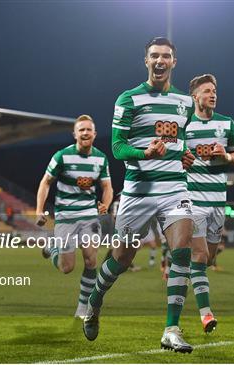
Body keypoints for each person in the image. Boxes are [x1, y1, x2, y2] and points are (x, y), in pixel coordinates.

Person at [83, 37, 197, 353]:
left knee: (182, 249)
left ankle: (171, 329)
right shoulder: (129, 99)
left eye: (166, 56)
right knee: (121, 258)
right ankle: (95, 299)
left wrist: (185, 155)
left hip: (175, 188)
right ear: (145, 61)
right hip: (138, 192)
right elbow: (118, 147)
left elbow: (180, 142)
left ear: (174, 61)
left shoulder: (185, 102)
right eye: (154, 56)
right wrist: (145, 152)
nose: (160, 61)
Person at [35, 114, 113, 318]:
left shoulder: (101, 158)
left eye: (89, 130)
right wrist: (39, 209)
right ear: (75, 134)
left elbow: (107, 186)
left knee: (91, 260)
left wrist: (105, 204)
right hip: (66, 216)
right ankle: (52, 249)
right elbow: (45, 182)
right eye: (81, 130)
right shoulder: (61, 156)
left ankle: (82, 308)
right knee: (66, 267)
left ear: (94, 134)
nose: (85, 133)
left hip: (89, 215)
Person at [185, 73, 234, 332]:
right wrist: (181, 159)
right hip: (193, 200)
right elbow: (172, 156)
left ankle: (184, 266)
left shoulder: (227, 124)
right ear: (195, 96)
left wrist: (227, 158)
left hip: (218, 201)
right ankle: (206, 314)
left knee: (207, 260)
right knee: (199, 257)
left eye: (214, 91)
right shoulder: (184, 125)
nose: (213, 95)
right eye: (207, 91)